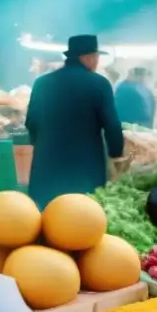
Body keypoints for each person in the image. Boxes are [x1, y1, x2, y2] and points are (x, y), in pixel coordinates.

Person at [25, 35, 123, 209]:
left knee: (46, 214)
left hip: (47, 164)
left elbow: (31, 122)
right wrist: (116, 153)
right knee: (80, 216)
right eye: (97, 57)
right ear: (89, 57)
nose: (97, 62)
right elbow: (112, 125)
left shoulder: (42, 83)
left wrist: (39, 143)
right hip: (84, 166)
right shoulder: (99, 84)